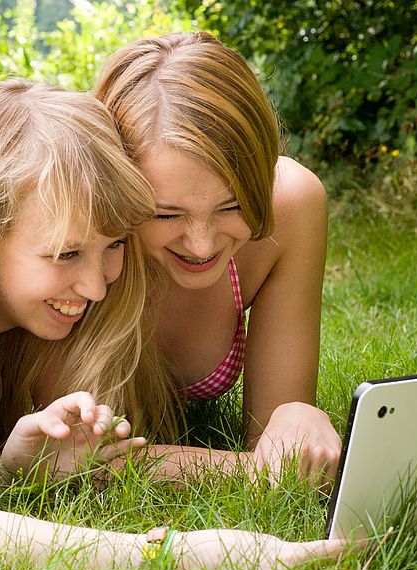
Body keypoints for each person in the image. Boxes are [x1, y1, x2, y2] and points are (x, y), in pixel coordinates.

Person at [0, 77, 348, 570]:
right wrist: (186, 554)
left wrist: (11, 470)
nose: (97, 288)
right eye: (65, 254)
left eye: (112, 246)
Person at [93, 31, 342, 489]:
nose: (203, 245)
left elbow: (272, 442)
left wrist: (296, 417)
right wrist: (253, 470)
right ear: (115, 188)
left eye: (232, 206)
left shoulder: (291, 203)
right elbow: (68, 459)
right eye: (166, 213)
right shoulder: (83, 230)